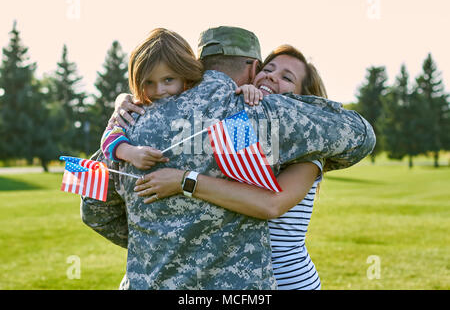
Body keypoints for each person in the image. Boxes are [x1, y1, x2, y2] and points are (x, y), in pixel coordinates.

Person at [81, 26, 376, 290]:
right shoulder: (258, 116)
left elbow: (92, 204)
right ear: (253, 68)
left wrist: (157, 242)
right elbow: (361, 135)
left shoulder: (133, 123)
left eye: (285, 77)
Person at [129, 44, 327, 290]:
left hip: (289, 282)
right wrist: (127, 102)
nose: (272, 76)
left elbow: (272, 204)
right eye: (268, 69)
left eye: (287, 77)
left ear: (302, 96)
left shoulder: (309, 151)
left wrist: (184, 181)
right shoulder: (244, 127)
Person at [101, 28, 203, 169]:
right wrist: (130, 153)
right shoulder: (135, 108)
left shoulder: (201, 101)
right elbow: (108, 137)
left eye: (168, 80)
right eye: (149, 82)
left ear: (185, 74)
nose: (159, 90)